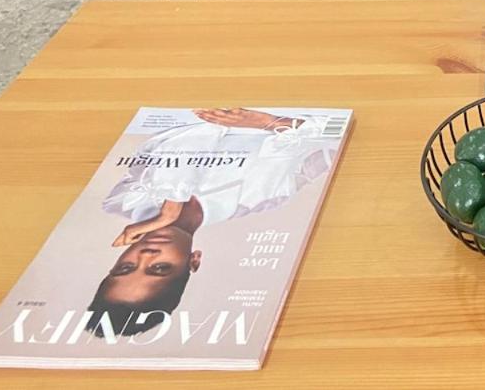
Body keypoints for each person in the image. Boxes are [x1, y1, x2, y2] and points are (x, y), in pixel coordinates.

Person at [86, 107, 339, 336]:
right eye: (160, 268)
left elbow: (189, 132)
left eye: (126, 267)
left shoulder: (124, 201)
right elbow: (337, 139)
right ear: (194, 260)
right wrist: (269, 121)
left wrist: (170, 211)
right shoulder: (266, 198)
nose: (146, 255)